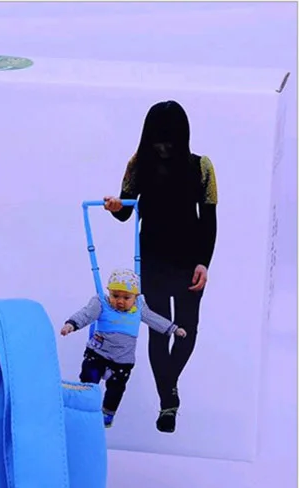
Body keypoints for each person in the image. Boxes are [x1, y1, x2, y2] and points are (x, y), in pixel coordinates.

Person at [103, 99, 217, 433]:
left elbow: (209, 220)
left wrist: (204, 262)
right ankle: (169, 403)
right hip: (151, 258)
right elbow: (126, 211)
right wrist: (115, 206)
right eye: (157, 141)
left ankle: (169, 384)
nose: (163, 148)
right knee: (158, 329)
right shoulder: (138, 163)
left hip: (189, 261)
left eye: (169, 142)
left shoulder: (202, 167)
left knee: (186, 329)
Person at [61, 268, 186, 429]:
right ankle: (84, 407)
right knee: (89, 381)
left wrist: (173, 329)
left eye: (126, 298)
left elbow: (154, 319)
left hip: (122, 361)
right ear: (109, 293)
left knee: (116, 390)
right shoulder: (101, 303)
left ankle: (107, 414)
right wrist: (71, 324)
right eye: (115, 296)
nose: (120, 301)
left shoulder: (139, 307)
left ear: (136, 297)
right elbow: (85, 315)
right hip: (97, 354)